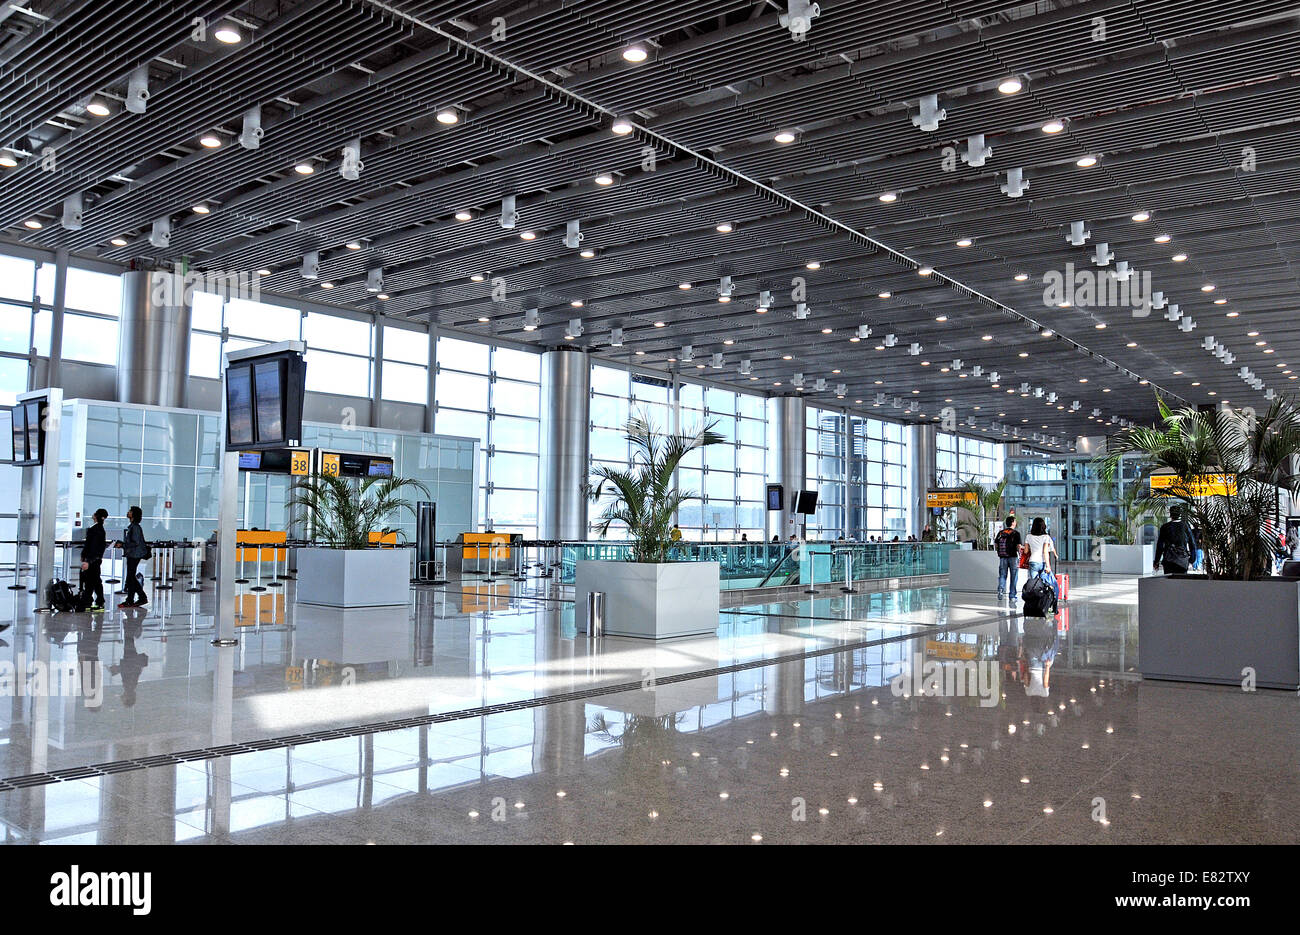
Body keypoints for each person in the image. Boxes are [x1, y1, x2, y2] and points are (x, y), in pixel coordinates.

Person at [113, 506, 149, 608]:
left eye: (130, 511)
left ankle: (141, 597)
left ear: (133, 514)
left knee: (130, 577)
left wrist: (123, 545)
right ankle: (130, 599)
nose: (128, 512)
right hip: (132, 554)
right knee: (130, 577)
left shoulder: (135, 527)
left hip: (135, 554)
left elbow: (136, 542)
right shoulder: (132, 526)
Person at [1153, 505, 1198, 575]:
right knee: (1182, 583)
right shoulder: (1185, 526)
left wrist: (1156, 561)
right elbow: (1192, 543)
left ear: (1170, 515)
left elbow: (1160, 546)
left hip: (1169, 560)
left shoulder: (1165, 527)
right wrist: (1192, 559)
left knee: (1169, 583)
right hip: (1183, 560)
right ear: (1180, 514)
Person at [79, 508, 109, 612]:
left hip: (93, 560)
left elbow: (93, 547)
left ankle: (91, 602)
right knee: (95, 581)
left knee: (91, 581)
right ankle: (97, 602)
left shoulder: (96, 530)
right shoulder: (98, 529)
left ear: (96, 516)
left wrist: (88, 560)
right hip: (94, 559)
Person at [1024, 517, 1059, 601]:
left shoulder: (1028, 536)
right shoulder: (1046, 537)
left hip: (1033, 562)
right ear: (1044, 526)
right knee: (1045, 583)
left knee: (1034, 583)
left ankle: (1035, 602)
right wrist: (1048, 566)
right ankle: (1044, 601)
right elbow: (1045, 552)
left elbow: (1025, 551)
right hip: (1042, 562)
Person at [994, 515, 1023, 603]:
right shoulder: (1016, 533)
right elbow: (1018, 546)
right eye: (1015, 521)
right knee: (1014, 577)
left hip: (1003, 557)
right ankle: (1012, 596)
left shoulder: (1001, 533)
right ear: (1013, 523)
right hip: (1013, 557)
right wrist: (1020, 553)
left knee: (1003, 575)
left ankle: (1001, 589)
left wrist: (999, 552)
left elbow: (996, 544)